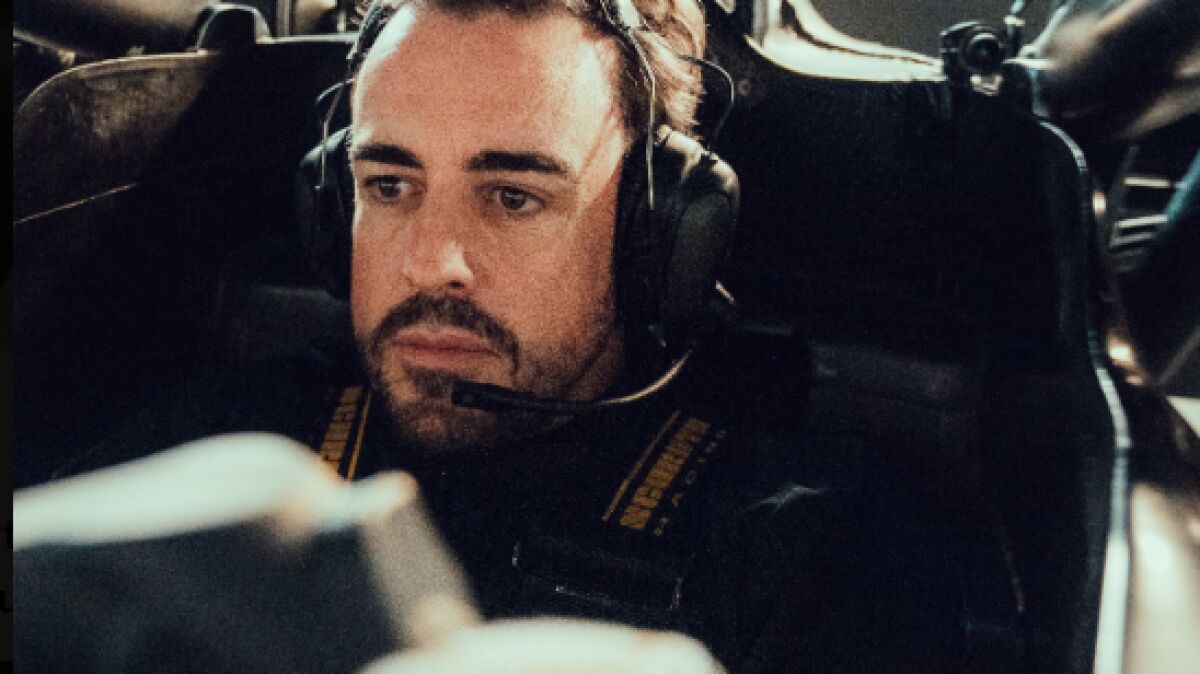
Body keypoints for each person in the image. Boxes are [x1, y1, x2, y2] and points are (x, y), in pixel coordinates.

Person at [57, 0, 968, 671]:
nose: (431, 262)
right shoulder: (217, 444)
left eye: (512, 196)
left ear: (658, 234)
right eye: (389, 186)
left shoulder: (808, 551)